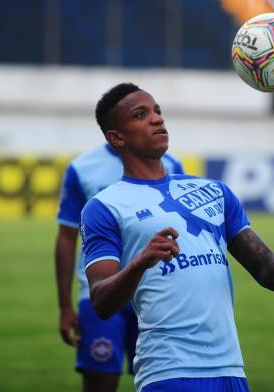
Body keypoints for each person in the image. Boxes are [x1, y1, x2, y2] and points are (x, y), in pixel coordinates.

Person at [80, 82, 274, 392]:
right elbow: (101, 301)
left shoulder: (214, 192)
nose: (157, 119)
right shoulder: (104, 207)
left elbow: (268, 273)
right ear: (117, 137)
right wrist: (140, 262)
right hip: (169, 371)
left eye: (157, 111)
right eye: (141, 115)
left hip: (231, 370)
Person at [55, 133, 184, 390]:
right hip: (99, 292)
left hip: (156, 293)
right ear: (114, 128)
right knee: (101, 381)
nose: (154, 121)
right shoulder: (82, 168)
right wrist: (66, 306)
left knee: (165, 377)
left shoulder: (171, 165)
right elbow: (67, 237)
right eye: (138, 115)